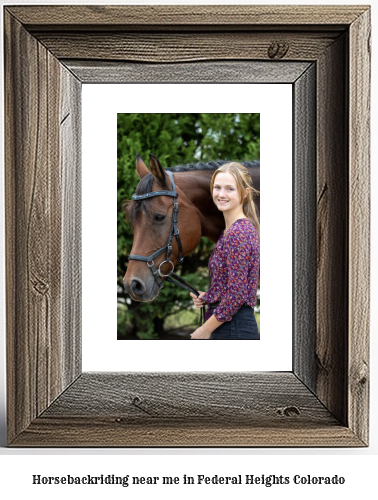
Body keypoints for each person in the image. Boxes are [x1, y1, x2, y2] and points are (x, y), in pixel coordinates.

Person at [190, 162, 260, 340]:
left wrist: (204, 330)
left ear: (244, 193)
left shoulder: (238, 232)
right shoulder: (230, 231)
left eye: (230, 189)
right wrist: (209, 297)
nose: (221, 194)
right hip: (230, 325)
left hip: (233, 328)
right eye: (217, 187)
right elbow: (233, 287)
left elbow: (237, 294)